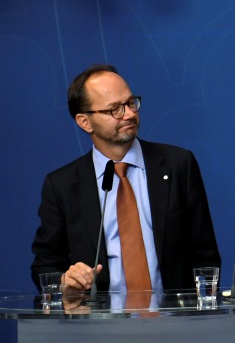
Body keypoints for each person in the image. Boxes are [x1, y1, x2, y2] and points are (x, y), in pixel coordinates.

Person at [31, 65, 221, 296]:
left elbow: (205, 256)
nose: (130, 114)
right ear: (85, 122)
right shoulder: (62, 185)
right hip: (100, 324)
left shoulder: (178, 165)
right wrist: (65, 281)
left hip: (174, 321)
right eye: (115, 109)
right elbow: (46, 265)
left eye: (131, 103)